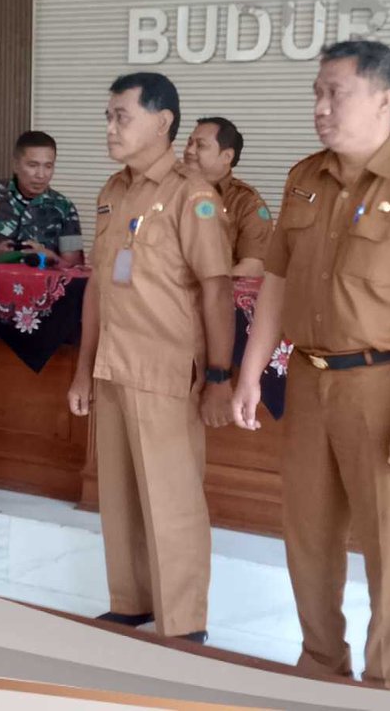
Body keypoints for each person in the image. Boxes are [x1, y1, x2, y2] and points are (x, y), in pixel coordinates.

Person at [231, 41, 390, 692]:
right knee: (308, 539)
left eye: (335, 93)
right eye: (317, 93)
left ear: (384, 100)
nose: (320, 107)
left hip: (383, 387)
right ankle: (320, 668)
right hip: (309, 380)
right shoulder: (304, 178)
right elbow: (277, 281)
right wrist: (253, 369)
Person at [66, 72, 234, 644]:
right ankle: (131, 602)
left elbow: (217, 289)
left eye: (122, 116)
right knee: (119, 497)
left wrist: (219, 376)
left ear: (162, 123)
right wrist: (83, 368)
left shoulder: (193, 195)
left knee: (172, 501)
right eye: (109, 117)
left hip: (164, 371)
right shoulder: (113, 191)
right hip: (113, 365)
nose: (111, 127)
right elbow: (98, 284)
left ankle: (184, 623)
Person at [182, 116, 273, 276]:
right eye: (190, 143)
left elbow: (252, 267)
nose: (189, 151)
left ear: (227, 156)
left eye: (201, 145)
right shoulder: (168, 190)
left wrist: (203, 286)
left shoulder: (247, 203)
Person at [0, 130, 84, 267]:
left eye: (48, 166)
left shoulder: (65, 208)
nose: (41, 175)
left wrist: (50, 257)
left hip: (42, 280)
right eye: (33, 165)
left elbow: (74, 267)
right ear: (16, 165)